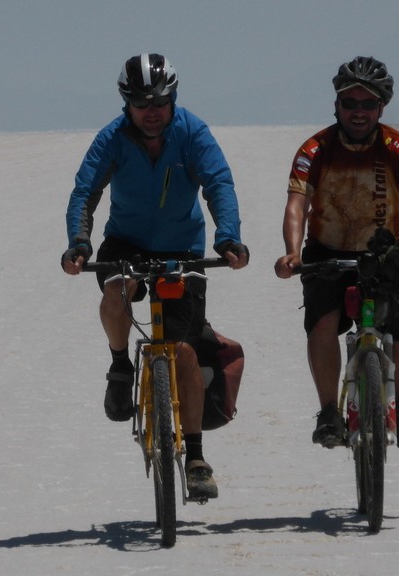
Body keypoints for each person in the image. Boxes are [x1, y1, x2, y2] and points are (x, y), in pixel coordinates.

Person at [62, 53, 249, 500]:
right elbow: (85, 192)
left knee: (183, 349)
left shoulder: (192, 132)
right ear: (126, 102)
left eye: (160, 101)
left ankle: (197, 457)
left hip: (181, 247)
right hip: (125, 241)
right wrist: (79, 243)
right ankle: (119, 364)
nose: (151, 110)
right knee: (117, 288)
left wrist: (229, 238)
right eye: (141, 101)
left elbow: (218, 183)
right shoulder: (112, 138)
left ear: (173, 99)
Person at [274, 56, 399, 452]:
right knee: (322, 324)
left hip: (386, 252)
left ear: (381, 108)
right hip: (328, 251)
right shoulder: (315, 148)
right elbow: (296, 204)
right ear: (336, 105)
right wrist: (292, 253)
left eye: (367, 105)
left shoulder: (397, 146)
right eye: (349, 103)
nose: (358, 113)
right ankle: (328, 411)